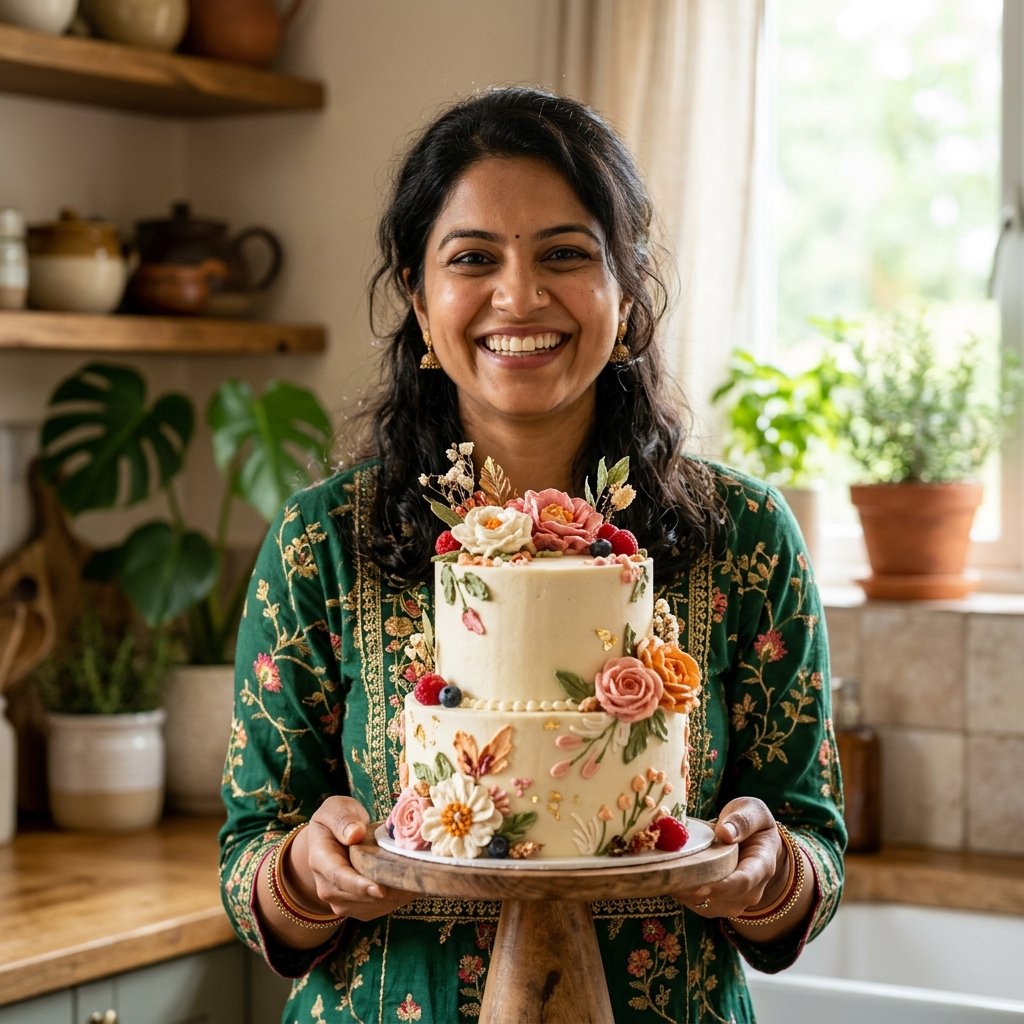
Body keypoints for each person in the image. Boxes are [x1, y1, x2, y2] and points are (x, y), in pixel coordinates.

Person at [219, 84, 846, 1023]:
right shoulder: (324, 544)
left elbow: (815, 840)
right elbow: (248, 854)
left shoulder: (746, 537)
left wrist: (768, 872)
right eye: (473, 258)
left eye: (566, 254)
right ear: (420, 302)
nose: (520, 295)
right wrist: (308, 876)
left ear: (627, 293)